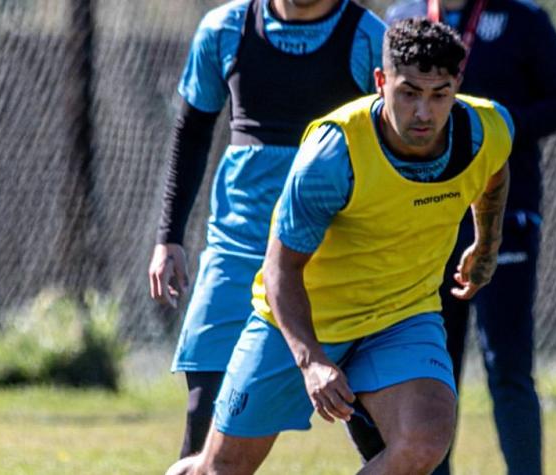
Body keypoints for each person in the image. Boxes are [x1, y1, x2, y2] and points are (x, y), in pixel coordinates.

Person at [165, 18, 514, 475]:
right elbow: (279, 270)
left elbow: (493, 174)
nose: (424, 113)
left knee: (423, 441)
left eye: (440, 94)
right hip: (307, 316)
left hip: (401, 315)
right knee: (219, 468)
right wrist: (312, 362)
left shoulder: (486, 128)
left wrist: (487, 244)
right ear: (380, 82)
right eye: (409, 93)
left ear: (457, 86)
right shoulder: (334, 153)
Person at [146, 0, 386, 459]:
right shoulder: (225, 29)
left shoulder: (368, 38)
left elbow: (392, 144)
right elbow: (192, 131)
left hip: (332, 258)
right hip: (237, 248)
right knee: (205, 410)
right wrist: (168, 236)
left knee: (370, 422)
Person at [351, 1, 556, 474]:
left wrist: (488, 128)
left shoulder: (523, 19)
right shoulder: (404, 17)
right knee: (430, 368)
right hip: (421, 218)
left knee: (509, 365)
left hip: (506, 216)